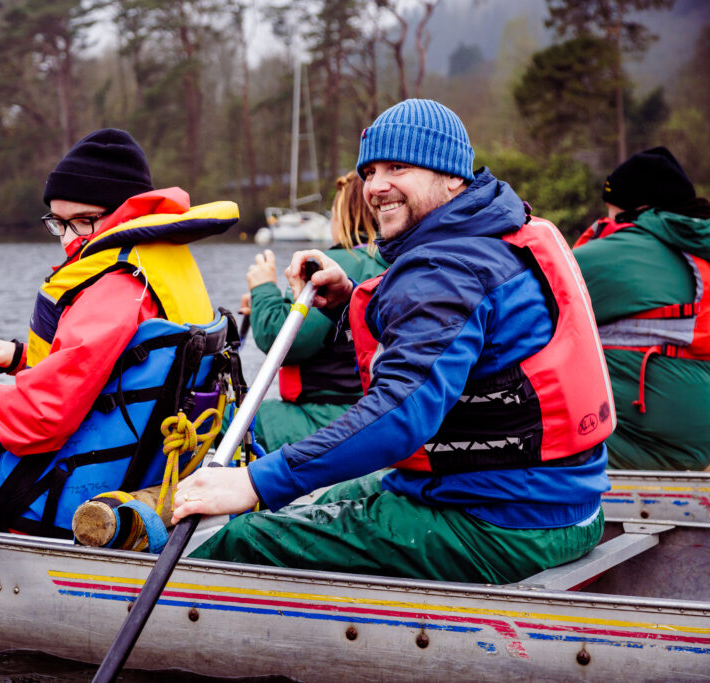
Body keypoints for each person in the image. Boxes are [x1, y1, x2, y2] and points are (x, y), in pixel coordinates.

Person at [173, 99, 615, 585]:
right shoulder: (501, 231)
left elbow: (399, 414)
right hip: (568, 506)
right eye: (370, 170)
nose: (376, 186)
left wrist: (254, 481)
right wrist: (348, 300)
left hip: (501, 522)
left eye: (398, 167)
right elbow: (457, 320)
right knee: (324, 496)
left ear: (451, 176)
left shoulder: (446, 270)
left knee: (245, 537)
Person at [0, 129, 238, 538]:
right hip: (118, 457)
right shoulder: (158, 259)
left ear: (121, 211)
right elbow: (119, 367)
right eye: (58, 223)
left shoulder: (117, 284)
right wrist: (19, 357)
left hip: (49, 482)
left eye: (81, 222)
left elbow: (41, 416)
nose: (67, 240)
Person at [572, 147, 710, 471]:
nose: (605, 223)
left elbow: (534, 292)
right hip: (695, 437)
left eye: (613, 214)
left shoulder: (628, 250)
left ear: (641, 211)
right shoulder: (696, 244)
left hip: (660, 436)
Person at [239, 171, 387, 451]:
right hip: (373, 413)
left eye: (332, 214)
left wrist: (264, 288)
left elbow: (282, 339)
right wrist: (261, 303)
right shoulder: (392, 262)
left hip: (327, 417)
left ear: (343, 217)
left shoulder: (340, 263)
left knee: (221, 418)